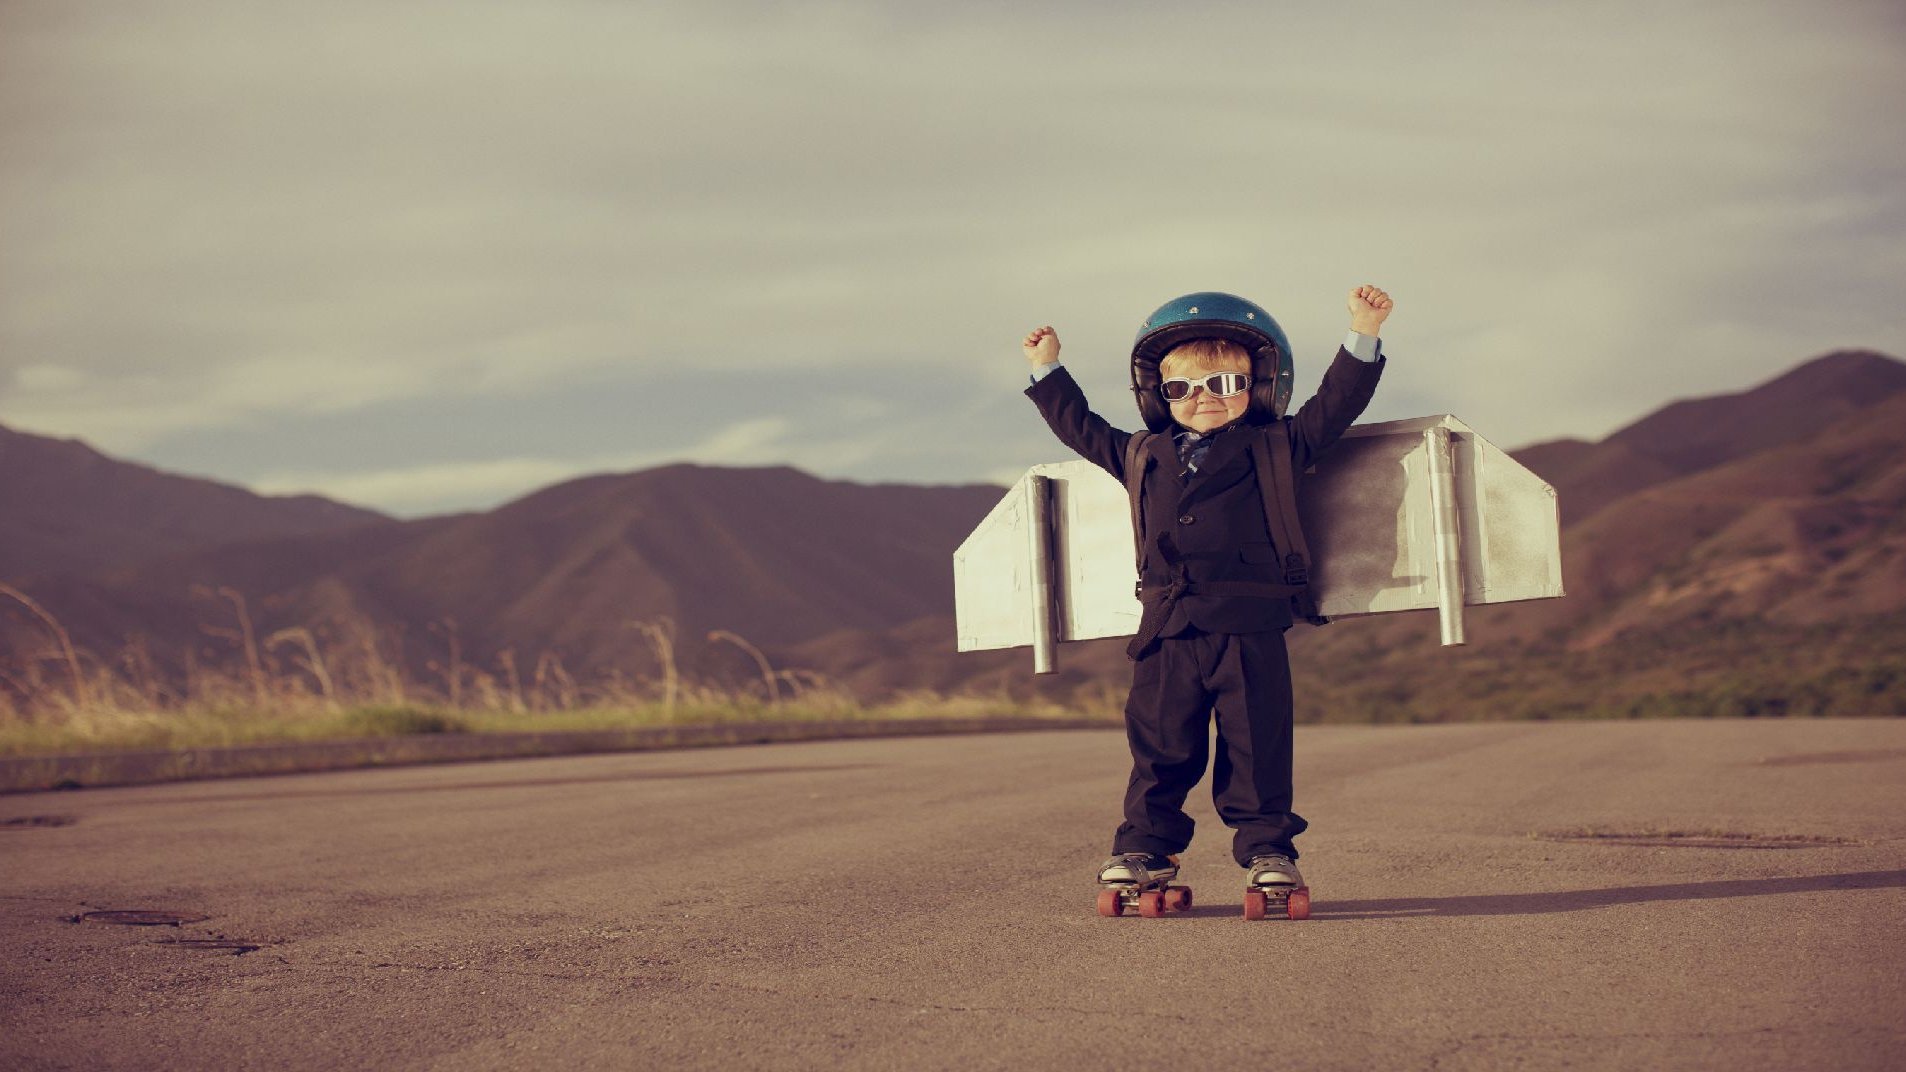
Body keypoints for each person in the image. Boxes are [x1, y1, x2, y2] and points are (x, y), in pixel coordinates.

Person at [1021, 286, 1392, 903]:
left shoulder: (1278, 445)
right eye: (1182, 389)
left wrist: (1363, 332)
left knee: (1257, 743)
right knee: (1159, 746)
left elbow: (1338, 405)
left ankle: (1268, 848)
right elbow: (1079, 429)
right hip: (1167, 628)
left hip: (1251, 624)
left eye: (1224, 384)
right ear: (1157, 397)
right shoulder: (1141, 453)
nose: (1203, 399)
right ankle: (1144, 846)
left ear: (1262, 386)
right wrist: (1047, 369)